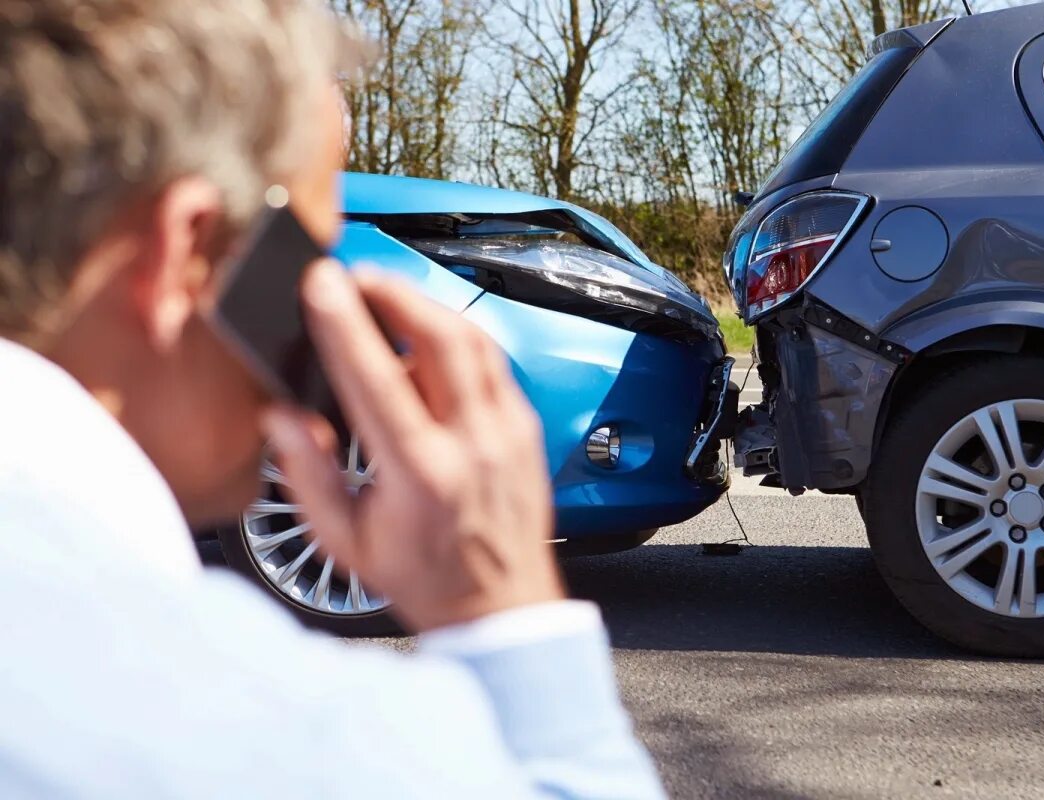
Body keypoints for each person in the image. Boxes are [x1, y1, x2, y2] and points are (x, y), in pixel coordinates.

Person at [0, 1, 664, 797]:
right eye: (305, 259)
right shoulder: (238, 724)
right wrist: (502, 604)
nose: (321, 316)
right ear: (188, 254)